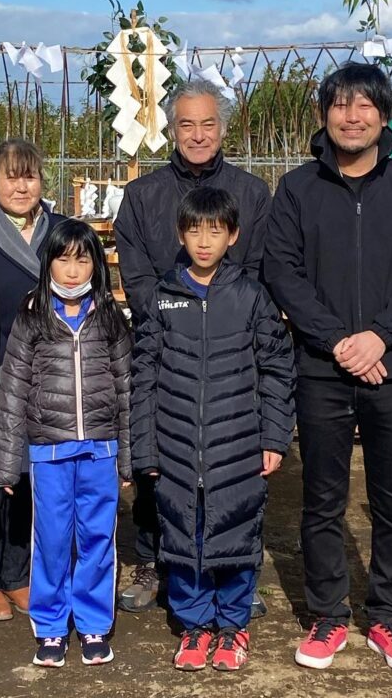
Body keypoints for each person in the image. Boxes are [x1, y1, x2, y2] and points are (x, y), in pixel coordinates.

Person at [262, 62, 392, 674]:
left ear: (384, 116)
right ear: (324, 116)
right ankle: (328, 615)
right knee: (322, 498)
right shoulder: (297, 189)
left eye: (364, 105)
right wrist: (339, 340)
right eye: (340, 105)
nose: (352, 116)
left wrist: (381, 336)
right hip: (321, 368)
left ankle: (388, 618)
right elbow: (283, 273)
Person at [114, 78, 272, 615]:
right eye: (187, 124)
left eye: (208, 124)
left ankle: (235, 569)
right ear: (171, 129)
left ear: (222, 129)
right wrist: (170, 315)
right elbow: (135, 275)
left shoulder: (251, 193)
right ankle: (150, 560)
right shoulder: (143, 197)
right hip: (167, 347)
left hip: (231, 355)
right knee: (161, 457)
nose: (198, 135)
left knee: (230, 467)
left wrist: (226, 326)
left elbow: (257, 274)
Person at [131, 187, 295, 672]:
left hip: (238, 447)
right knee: (184, 539)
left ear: (233, 236)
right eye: (196, 230)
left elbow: (277, 368)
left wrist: (273, 437)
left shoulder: (250, 297)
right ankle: (195, 626)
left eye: (216, 230)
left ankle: (232, 626)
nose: (205, 241)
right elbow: (143, 377)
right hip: (176, 448)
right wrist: (146, 451)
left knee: (236, 536)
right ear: (181, 234)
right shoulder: (163, 298)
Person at [0, 219, 132, 668]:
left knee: (97, 538)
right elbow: (11, 388)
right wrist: (7, 463)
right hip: (48, 452)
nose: (72, 271)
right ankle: (51, 626)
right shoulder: (32, 314)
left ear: (97, 263)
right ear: (48, 262)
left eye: (83, 258)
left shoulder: (110, 316)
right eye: (63, 258)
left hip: (100, 450)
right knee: (51, 539)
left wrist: (129, 457)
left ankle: (93, 623)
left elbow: (127, 387)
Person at [0, 139, 65, 621]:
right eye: (11, 177)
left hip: (48, 375)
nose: (21, 186)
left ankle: (19, 572)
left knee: (29, 473)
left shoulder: (61, 232)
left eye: (30, 176)